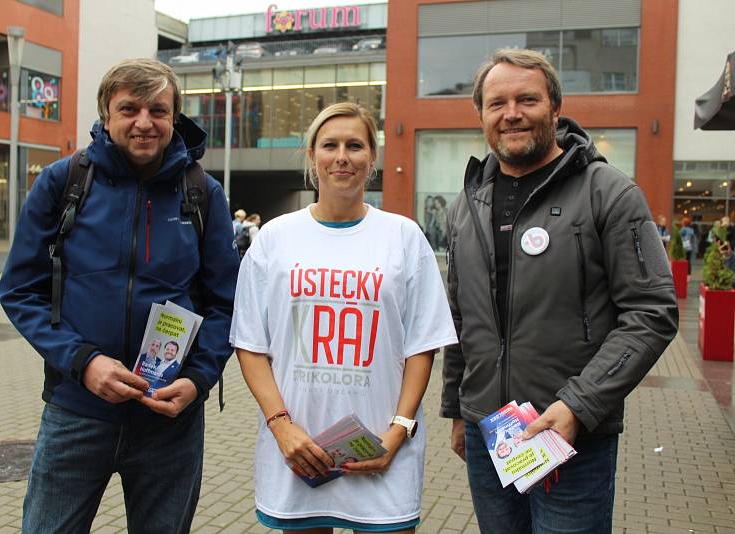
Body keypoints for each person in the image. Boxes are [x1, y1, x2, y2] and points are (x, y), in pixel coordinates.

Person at [0, 58, 239, 534]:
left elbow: (226, 303)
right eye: (129, 108)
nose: (145, 122)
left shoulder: (202, 193)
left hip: (170, 419)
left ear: (175, 118)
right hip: (76, 412)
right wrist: (84, 362)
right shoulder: (64, 182)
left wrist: (198, 379)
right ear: (106, 115)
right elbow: (19, 290)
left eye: (158, 110)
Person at [441, 49, 678, 534]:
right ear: (481, 115)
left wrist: (579, 406)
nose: (512, 114)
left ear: (554, 107)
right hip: (493, 436)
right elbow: (459, 319)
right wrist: (457, 411)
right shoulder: (467, 206)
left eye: (527, 99)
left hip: (571, 434)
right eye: (497, 103)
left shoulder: (608, 192)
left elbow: (652, 312)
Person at [231, 102, 458, 533]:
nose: (342, 156)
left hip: (382, 451)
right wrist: (282, 428)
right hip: (297, 452)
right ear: (312, 156)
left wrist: (399, 430)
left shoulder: (404, 237)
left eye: (355, 145)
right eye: (329, 145)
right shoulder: (275, 238)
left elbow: (422, 346)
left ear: (372, 159)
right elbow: (250, 344)